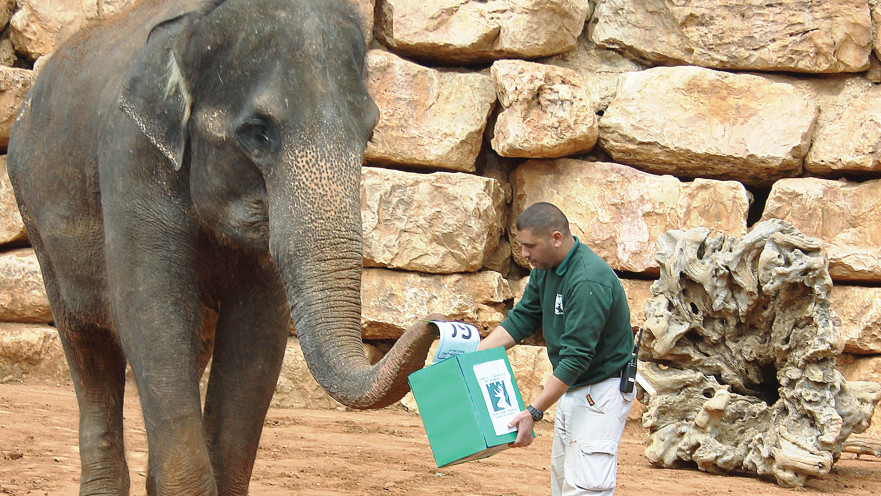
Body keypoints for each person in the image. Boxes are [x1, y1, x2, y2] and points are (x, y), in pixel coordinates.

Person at [477, 202, 635, 496]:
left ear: (556, 238)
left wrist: (534, 412)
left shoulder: (588, 280)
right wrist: (475, 355)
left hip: (600, 392)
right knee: (564, 486)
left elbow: (576, 358)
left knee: (586, 489)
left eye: (530, 246)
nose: (524, 254)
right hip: (575, 388)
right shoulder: (546, 267)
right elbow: (523, 318)